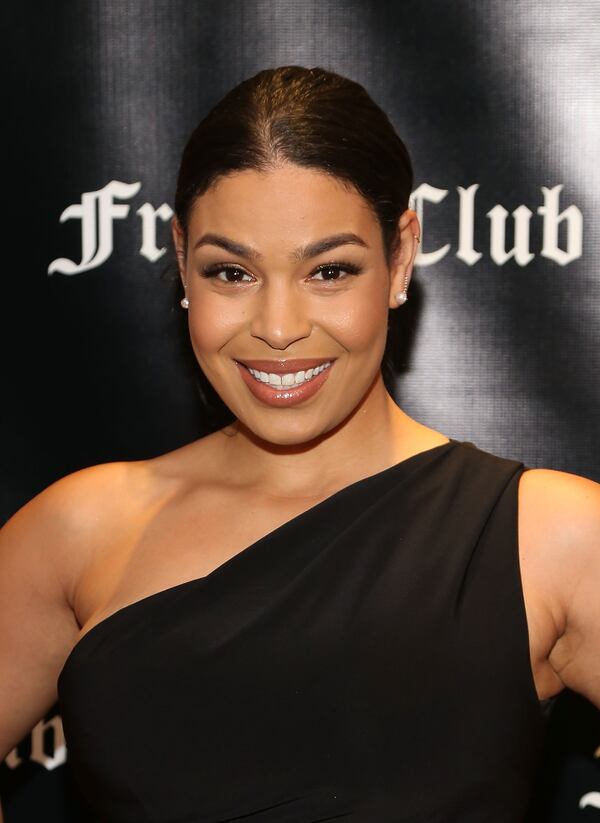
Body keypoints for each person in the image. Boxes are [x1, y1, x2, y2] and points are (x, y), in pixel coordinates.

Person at [0, 65, 598, 823]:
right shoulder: (78, 531)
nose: (278, 328)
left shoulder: (550, 535)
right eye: (231, 271)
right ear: (181, 258)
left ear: (400, 256)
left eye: (328, 270)